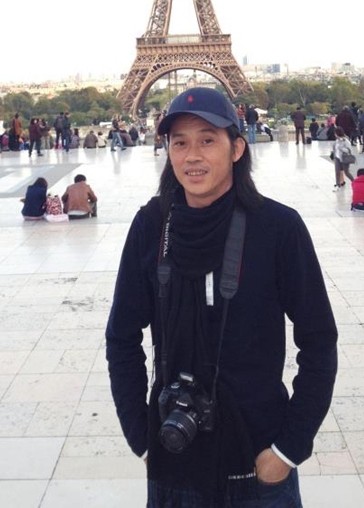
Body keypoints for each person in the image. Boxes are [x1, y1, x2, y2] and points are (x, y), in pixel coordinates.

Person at [106, 87, 337, 508]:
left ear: (237, 148)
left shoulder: (278, 228)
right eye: (180, 143)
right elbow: (121, 337)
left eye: (208, 140)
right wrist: (140, 437)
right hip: (174, 459)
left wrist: (288, 449)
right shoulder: (151, 226)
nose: (192, 156)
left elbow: (319, 340)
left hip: (258, 464)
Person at [332, 126, 355, 190]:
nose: (334, 135)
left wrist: (341, 148)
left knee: (346, 172)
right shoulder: (336, 141)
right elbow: (335, 149)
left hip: (344, 158)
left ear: (338, 133)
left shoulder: (346, 141)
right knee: (337, 172)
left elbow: (349, 150)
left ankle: (354, 182)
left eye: (335, 133)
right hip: (337, 158)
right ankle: (338, 184)